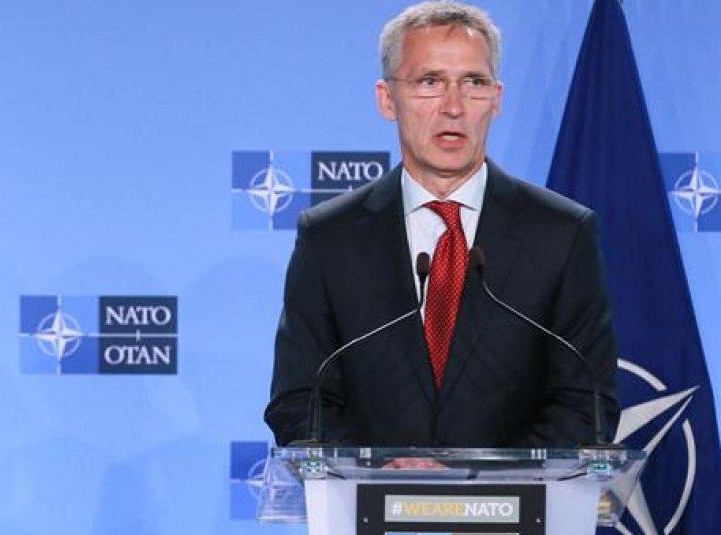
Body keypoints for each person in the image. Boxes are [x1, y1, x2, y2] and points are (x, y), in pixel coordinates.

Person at [265, 1, 618, 448]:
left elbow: (585, 403)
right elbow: (300, 403)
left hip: (515, 513)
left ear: (496, 98)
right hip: (371, 512)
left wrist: (483, 485)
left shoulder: (561, 233)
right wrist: (384, 473)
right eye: (429, 82)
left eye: (474, 82)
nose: (454, 107)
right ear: (387, 99)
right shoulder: (329, 237)